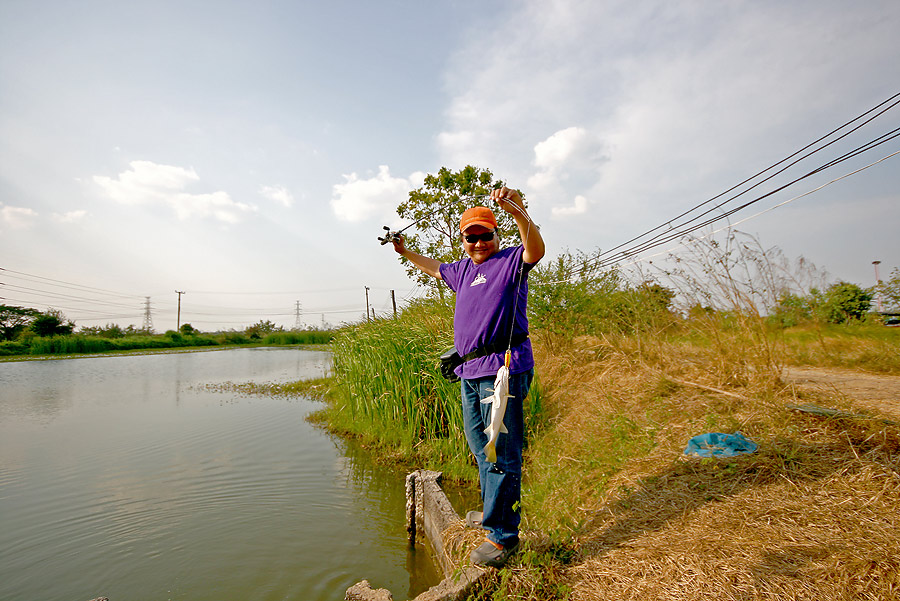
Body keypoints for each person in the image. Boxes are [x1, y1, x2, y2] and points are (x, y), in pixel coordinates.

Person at [391, 186, 545, 567]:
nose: (478, 242)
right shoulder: (461, 271)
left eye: (484, 235)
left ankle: (504, 537)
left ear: (497, 235)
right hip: (469, 370)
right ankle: (493, 513)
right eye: (470, 237)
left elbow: (536, 249)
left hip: (501, 372)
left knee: (502, 453)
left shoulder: (511, 261)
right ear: (462, 241)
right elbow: (434, 266)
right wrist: (405, 252)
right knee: (481, 447)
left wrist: (518, 210)